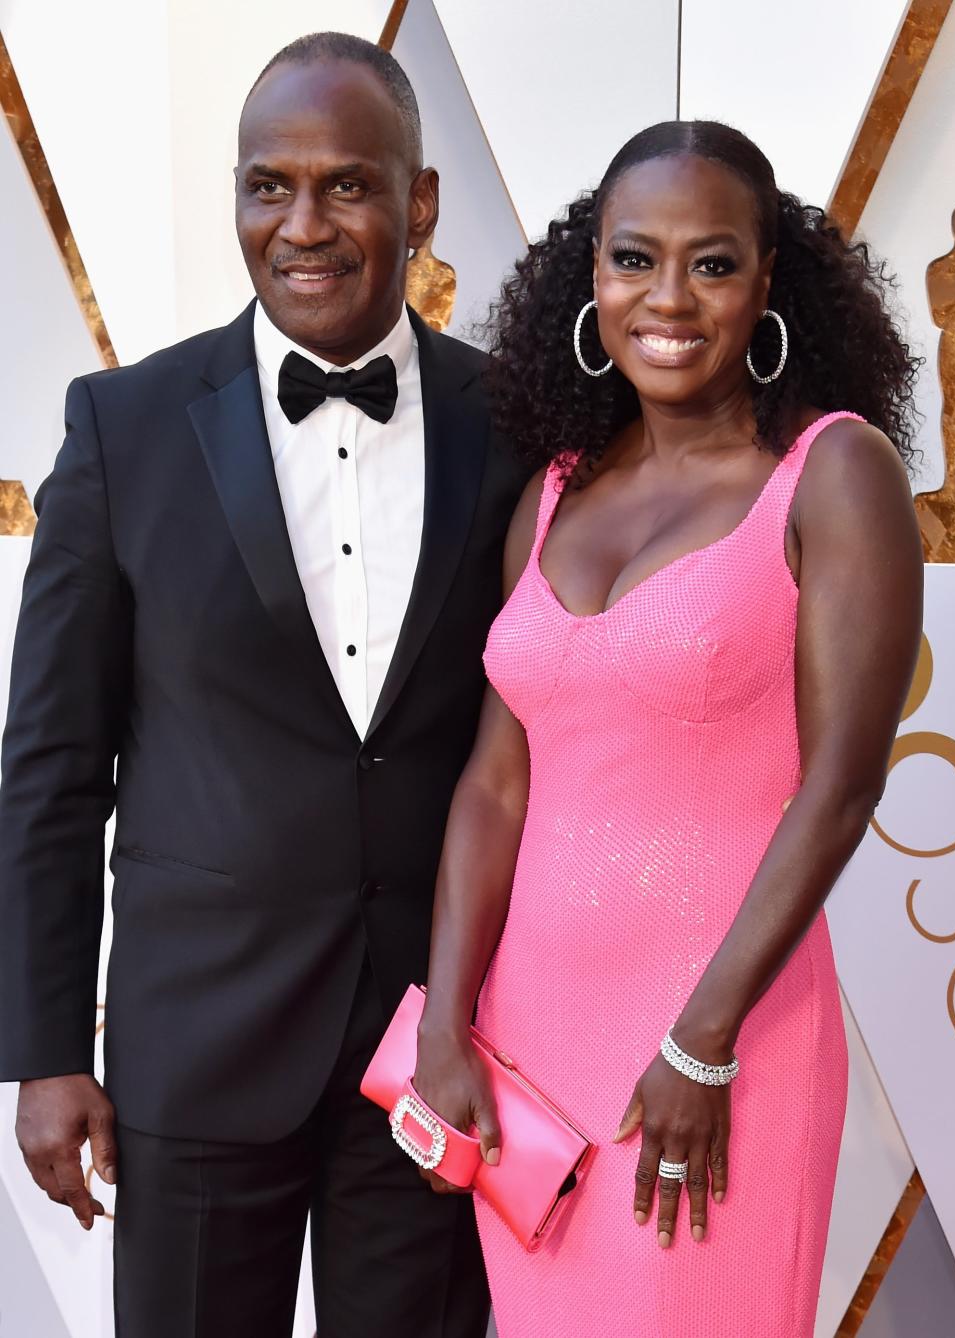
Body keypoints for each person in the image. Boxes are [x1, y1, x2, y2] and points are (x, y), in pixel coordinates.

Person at [0, 32, 525, 1338]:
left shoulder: (516, 423)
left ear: (418, 203)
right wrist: (47, 1046)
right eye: (266, 185)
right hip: (196, 1046)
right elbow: (53, 769)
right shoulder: (123, 428)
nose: (303, 224)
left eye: (347, 185)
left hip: (434, 1045)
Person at [412, 121, 923, 1337]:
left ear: (769, 283)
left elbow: (840, 790)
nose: (669, 299)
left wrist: (701, 1043)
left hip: (718, 1038)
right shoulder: (555, 487)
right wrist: (444, 1019)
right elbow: (496, 785)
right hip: (525, 1049)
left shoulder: (834, 475)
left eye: (713, 263)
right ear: (589, 279)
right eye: (635, 259)